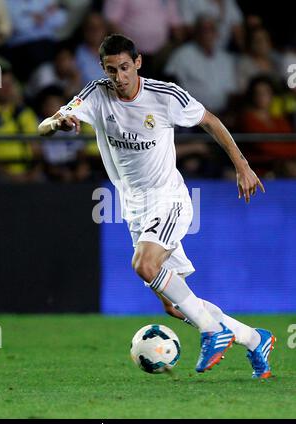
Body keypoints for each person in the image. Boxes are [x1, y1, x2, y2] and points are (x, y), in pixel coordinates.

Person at [38, 34, 275, 378]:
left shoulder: (165, 97)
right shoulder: (95, 95)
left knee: (145, 265)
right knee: (175, 305)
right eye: (110, 70)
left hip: (168, 198)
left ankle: (213, 332)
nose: (118, 77)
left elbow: (210, 120)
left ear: (137, 63)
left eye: (124, 67)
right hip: (134, 208)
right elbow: (44, 127)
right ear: (103, 69)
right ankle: (255, 340)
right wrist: (57, 122)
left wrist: (242, 165)